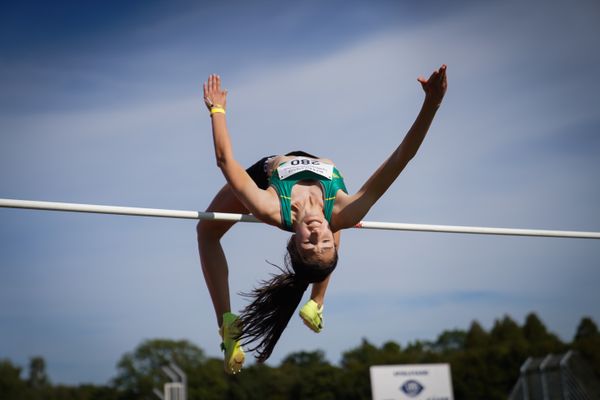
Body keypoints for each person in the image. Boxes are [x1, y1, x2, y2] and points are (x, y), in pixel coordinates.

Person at [197, 65, 447, 374]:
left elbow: (225, 160)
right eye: (324, 240)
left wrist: (217, 109)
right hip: (331, 198)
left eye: (309, 242)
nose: (317, 233)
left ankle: (226, 323)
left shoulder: (270, 207)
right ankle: (316, 302)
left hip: (265, 174)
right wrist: (432, 104)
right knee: (342, 219)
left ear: (294, 244)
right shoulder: (342, 212)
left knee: (206, 232)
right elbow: (401, 158)